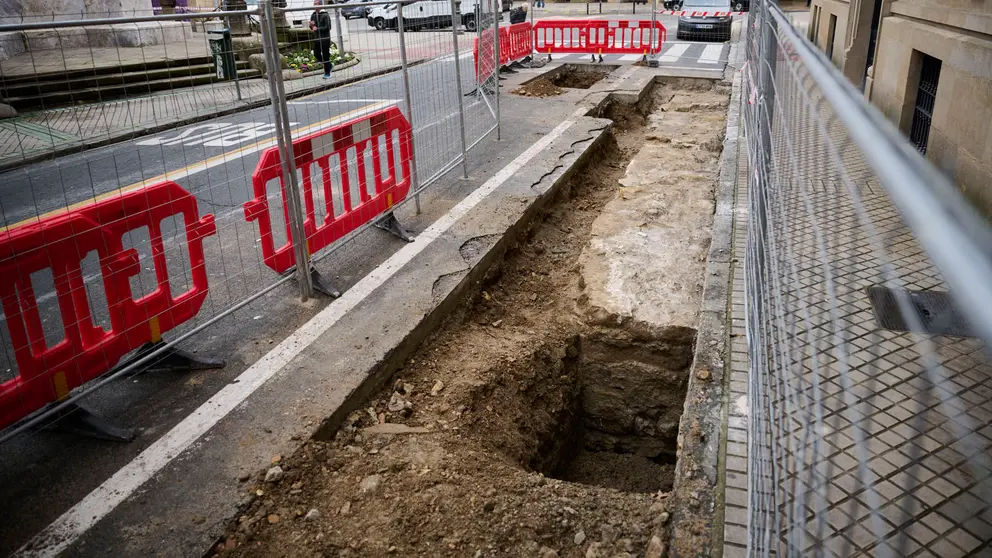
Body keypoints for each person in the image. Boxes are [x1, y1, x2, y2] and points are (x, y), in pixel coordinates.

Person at [309, 0, 334, 79]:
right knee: (316, 54)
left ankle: (327, 73)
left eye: (316, 4)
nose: (314, 5)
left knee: (325, 55)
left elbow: (328, 27)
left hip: (325, 39)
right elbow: (312, 28)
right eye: (314, 4)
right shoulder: (313, 15)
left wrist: (317, 29)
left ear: (320, 5)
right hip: (317, 39)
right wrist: (311, 25)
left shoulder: (325, 15)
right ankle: (329, 65)